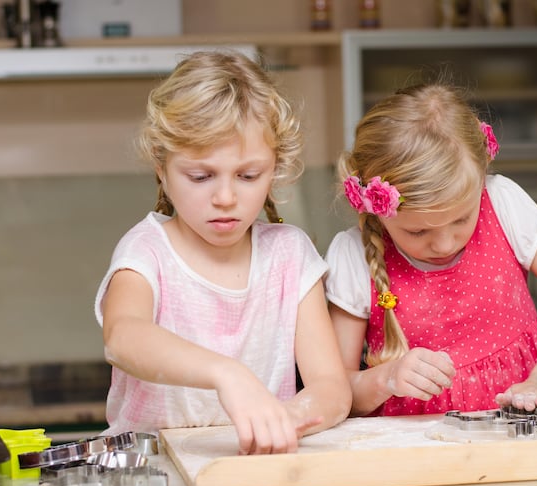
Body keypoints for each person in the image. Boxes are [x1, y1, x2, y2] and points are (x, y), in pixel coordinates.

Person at [94, 50, 351, 455]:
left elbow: (332, 389)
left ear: (275, 167)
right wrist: (226, 374)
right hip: (152, 475)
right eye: (201, 176)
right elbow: (122, 337)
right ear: (161, 166)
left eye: (249, 176)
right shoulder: (147, 251)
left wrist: (286, 419)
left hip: (252, 470)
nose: (226, 197)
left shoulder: (290, 254)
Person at [325, 82, 537, 418]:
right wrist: (387, 378)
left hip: (524, 431)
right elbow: (334, 391)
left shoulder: (503, 203)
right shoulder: (352, 255)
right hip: (421, 453)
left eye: (462, 219)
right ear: (375, 208)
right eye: (417, 231)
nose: (445, 243)